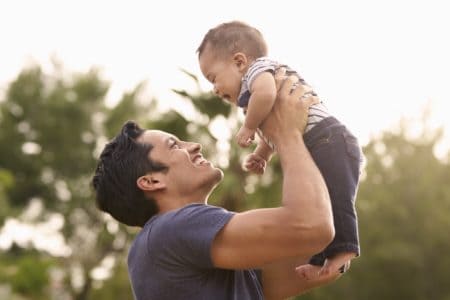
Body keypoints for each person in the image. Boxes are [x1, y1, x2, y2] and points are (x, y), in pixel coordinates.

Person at [92, 74, 340, 300]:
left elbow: (325, 257)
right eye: (174, 145)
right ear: (152, 181)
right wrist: (287, 134)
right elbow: (313, 227)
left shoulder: (179, 250)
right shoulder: (171, 229)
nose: (194, 145)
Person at [197, 20, 364, 279]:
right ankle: (322, 258)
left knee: (336, 197)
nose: (214, 89)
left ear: (239, 62)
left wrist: (248, 127)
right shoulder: (251, 93)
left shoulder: (258, 72)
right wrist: (262, 154)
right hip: (320, 142)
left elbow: (267, 96)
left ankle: (344, 251)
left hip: (329, 139)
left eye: (213, 78)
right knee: (320, 206)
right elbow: (273, 129)